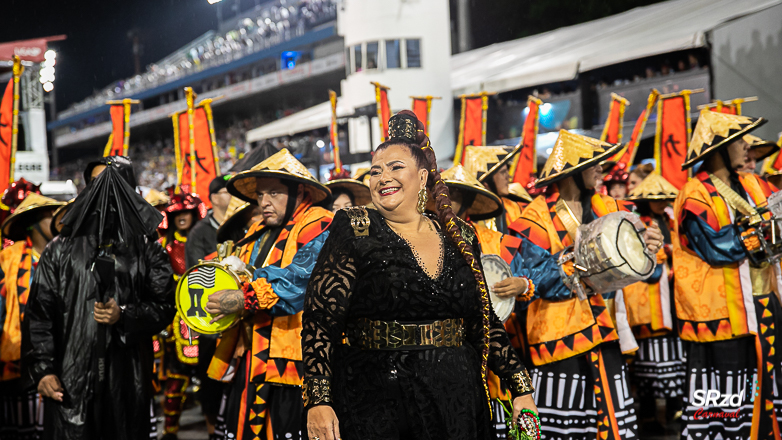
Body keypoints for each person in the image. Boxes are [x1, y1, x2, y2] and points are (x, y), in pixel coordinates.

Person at [302, 111, 537, 440]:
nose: (383, 177)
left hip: (457, 398)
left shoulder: (461, 237)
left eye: (396, 167)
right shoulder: (355, 227)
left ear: (423, 177)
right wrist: (319, 400)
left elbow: (482, 319)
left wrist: (519, 385)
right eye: (375, 171)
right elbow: (320, 319)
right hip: (376, 399)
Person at [508, 130, 663, 440]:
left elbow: (647, 274)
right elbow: (531, 284)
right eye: (595, 163)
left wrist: (649, 251)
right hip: (560, 342)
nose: (602, 170)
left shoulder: (613, 209)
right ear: (572, 172)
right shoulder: (531, 221)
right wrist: (582, 263)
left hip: (607, 333)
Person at [22, 156, 175, 440]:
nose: (102, 190)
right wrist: (43, 370)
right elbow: (39, 313)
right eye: (95, 183)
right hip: (71, 380)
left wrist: (126, 315)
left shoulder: (147, 247)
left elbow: (165, 306)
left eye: (111, 181)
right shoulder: (60, 248)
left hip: (127, 379)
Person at [205, 148, 334, 440]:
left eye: (274, 193)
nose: (264, 202)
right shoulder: (258, 230)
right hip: (251, 360)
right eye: (261, 195)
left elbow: (301, 281)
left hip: (295, 364)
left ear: (299, 191)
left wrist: (244, 297)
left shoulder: (319, 223)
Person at [437, 164, 571, 435]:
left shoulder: (498, 242)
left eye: (453, 193)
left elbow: (546, 274)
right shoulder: (421, 240)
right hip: (438, 356)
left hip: (494, 357)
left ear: (471, 200)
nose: (444, 199)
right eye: (440, 192)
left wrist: (523, 284)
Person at [674, 110, 782, 439]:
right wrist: (766, 230)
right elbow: (717, 247)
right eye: (739, 140)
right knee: (732, 404)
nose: (747, 146)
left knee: (771, 389)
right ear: (720, 148)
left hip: (765, 302)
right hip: (724, 316)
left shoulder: (752, 183)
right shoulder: (694, 194)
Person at [622, 174, 685, 432]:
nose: (662, 203)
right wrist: (669, 253)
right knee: (648, 361)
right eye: (656, 199)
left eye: (665, 198)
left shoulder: (671, 220)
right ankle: (648, 415)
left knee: (674, 358)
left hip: (673, 293)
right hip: (648, 299)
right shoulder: (640, 224)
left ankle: (674, 409)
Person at [0, 193, 64, 440]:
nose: (59, 221)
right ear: (34, 222)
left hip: (59, 360)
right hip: (17, 362)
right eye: (51, 216)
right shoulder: (8, 260)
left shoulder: (65, 256)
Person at [158, 190, 208, 439]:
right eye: (176, 213)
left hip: (208, 318)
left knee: (210, 378)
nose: (181, 217)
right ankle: (170, 430)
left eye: (185, 212)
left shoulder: (207, 240)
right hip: (177, 322)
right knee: (176, 378)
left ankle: (213, 427)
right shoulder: (164, 247)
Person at [462, 145, 532, 233]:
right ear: (486, 184)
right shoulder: (467, 219)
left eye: (507, 171)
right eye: (503, 173)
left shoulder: (515, 208)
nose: (508, 177)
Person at [185, 175, 232, 269]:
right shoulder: (198, 233)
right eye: (227, 192)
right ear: (214, 198)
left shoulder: (238, 226)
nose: (232, 196)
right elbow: (196, 269)